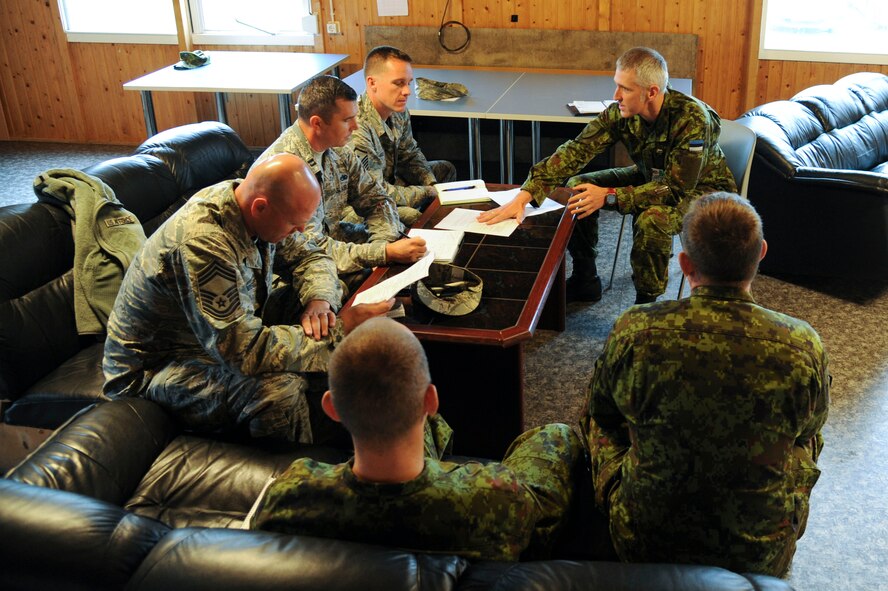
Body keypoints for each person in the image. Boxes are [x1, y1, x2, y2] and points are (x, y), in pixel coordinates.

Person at [581, 192, 829, 575]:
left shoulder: (635, 328)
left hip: (642, 544)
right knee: (807, 437)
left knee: (596, 417)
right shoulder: (803, 343)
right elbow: (809, 428)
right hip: (761, 554)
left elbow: (603, 412)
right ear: (761, 253)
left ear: (684, 263)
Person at [103, 154, 394, 444]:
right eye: (294, 225)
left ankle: (344, 419)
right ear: (260, 208)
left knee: (330, 295)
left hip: (217, 336)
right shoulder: (204, 245)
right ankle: (296, 465)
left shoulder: (252, 202)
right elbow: (243, 351)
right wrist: (339, 330)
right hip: (156, 370)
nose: (300, 231)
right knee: (279, 389)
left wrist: (319, 301)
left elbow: (312, 256)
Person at [251, 317, 582, 561]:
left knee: (425, 428)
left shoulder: (290, 496)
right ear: (431, 400)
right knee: (555, 434)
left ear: (331, 408)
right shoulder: (497, 497)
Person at [479, 47, 737, 304]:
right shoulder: (621, 112)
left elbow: (676, 187)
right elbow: (576, 150)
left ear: (651, 92)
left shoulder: (692, 118)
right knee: (579, 187)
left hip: (702, 191)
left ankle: (646, 304)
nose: (616, 96)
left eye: (625, 88)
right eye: (617, 85)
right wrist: (525, 194)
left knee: (652, 219)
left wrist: (610, 196)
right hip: (652, 177)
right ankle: (585, 278)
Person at [255, 75, 426, 294]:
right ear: (317, 123)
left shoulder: (338, 150)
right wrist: (384, 253)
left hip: (335, 241)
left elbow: (377, 201)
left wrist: (383, 244)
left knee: (405, 239)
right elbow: (311, 251)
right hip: (295, 268)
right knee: (343, 289)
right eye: (347, 120)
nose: (356, 126)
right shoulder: (284, 170)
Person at [348, 45, 457, 225]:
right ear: (372, 83)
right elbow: (374, 191)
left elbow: (410, 154)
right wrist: (427, 193)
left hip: (390, 182)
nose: (407, 91)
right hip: (365, 202)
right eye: (399, 83)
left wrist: (431, 184)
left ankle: (432, 222)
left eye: (408, 83)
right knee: (411, 215)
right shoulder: (357, 127)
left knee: (445, 170)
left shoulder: (398, 111)